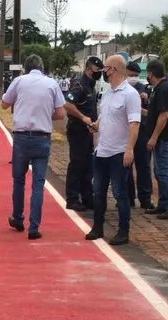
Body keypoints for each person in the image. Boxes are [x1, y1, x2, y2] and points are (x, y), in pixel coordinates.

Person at [1, 54, 66, 240]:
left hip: (22, 138)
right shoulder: (52, 84)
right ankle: (34, 227)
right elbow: (61, 113)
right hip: (42, 138)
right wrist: (45, 116)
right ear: (42, 67)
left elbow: (5, 104)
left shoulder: (19, 81)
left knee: (19, 181)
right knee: (38, 184)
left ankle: (18, 218)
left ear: (25, 68)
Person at [84, 55, 141, 246]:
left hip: (119, 152)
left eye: (105, 68)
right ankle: (97, 227)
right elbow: (104, 116)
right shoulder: (108, 93)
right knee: (98, 191)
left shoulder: (130, 95)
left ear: (114, 69)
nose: (103, 72)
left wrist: (129, 149)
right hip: (102, 151)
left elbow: (134, 124)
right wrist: (96, 125)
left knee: (120, 193)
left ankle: (123, 232)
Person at [63, 56, 103, 212]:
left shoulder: (92, 86)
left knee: (88, 166)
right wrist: (83, 118)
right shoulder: (80, 85)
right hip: (77, 130)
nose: (98, 74)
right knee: (77, 164)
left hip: (88, 132)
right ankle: (72, 198)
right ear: (88, 69)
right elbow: (67, 104)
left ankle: (87, 197)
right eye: (96, 71)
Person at [143, 60, 168, 219]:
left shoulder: (163, 89)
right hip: (161, 137)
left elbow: (164, 115)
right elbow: (154, 113)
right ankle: (164, 203)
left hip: (164, 137)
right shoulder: (158, 89)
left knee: (163, 171)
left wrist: (153, 137)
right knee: (158, 172)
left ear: (151, 74)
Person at [126, 60, 155, 211]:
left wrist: (145, 100)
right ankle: (128, 197)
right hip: (126, 132)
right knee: (126, 166)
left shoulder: (144, 89)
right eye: (131, 75)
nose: (134, 78)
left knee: (143, 165)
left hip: (142, 131)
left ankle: (145, 199)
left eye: (136, 75)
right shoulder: (121, 88)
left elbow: (152, 113)